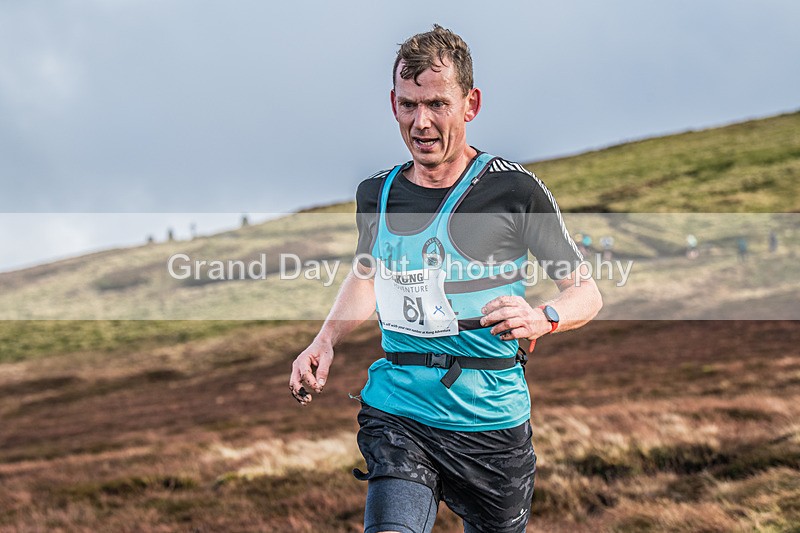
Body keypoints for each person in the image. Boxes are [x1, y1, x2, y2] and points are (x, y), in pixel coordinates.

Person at [289, 25, 602, 533]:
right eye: (409, 105)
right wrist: (325, 340)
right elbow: (368, 276)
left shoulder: (512, 190)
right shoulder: (377, 195)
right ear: (393, 102)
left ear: (470, 104)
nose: (421, 122)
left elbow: (586, 292)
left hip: (491, 425)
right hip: (401, 411)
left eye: (437, 104)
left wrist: (542, 318)